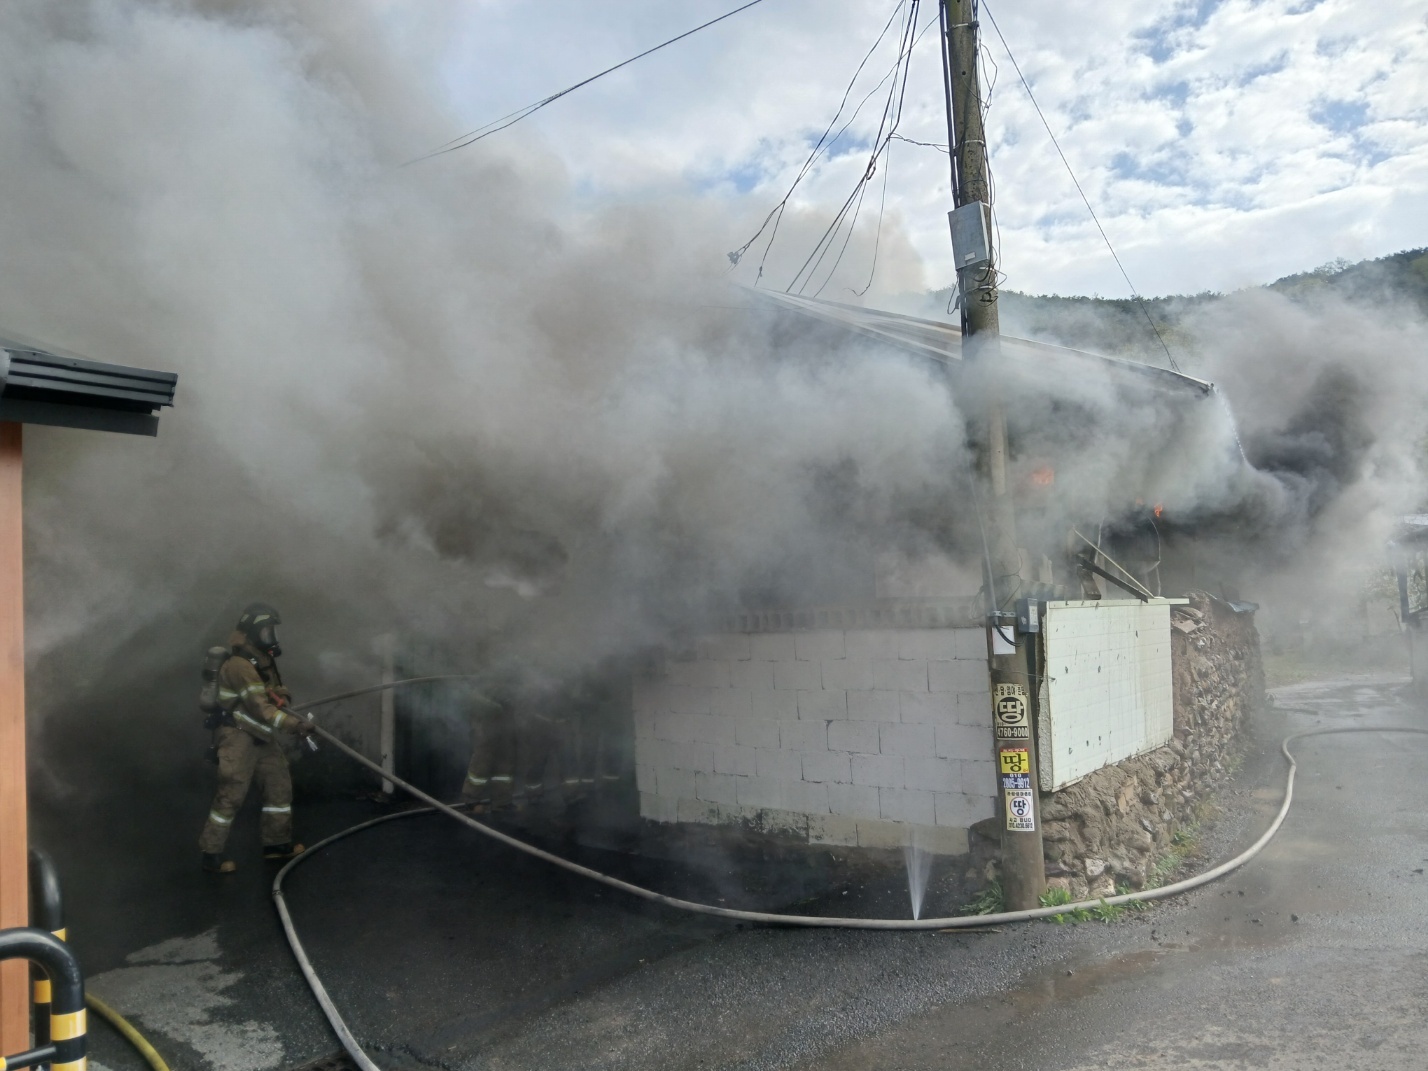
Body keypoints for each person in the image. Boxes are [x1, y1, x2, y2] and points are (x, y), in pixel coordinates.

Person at [198, 603, 313, 873]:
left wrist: (282, 697)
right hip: (237, 737)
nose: (271, 636)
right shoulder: (239, 665)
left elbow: (275, 688)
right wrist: (295, 725)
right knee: (231, 795)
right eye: (266, 631)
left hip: (261, 735)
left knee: (278, 786)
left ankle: (276, 844)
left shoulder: (262, 660)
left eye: (272, 631)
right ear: (252, 633)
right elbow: (260, 708)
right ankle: (211, 854)